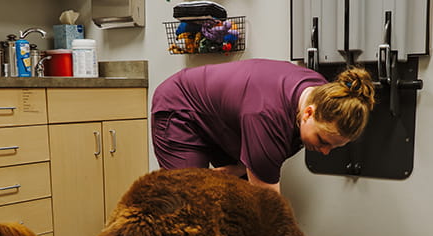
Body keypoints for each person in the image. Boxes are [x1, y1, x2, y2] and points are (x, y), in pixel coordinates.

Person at [150, 58, 376, 193]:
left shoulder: (320, 94)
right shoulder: (267, 116)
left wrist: (239, 169)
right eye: (323, 141)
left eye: (333, 147)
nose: (325, 152)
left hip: (223, 120)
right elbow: (271, 211)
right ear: (308, 113)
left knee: (235, 202)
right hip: (181, 107)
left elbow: (266, 158)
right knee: (190, 202)